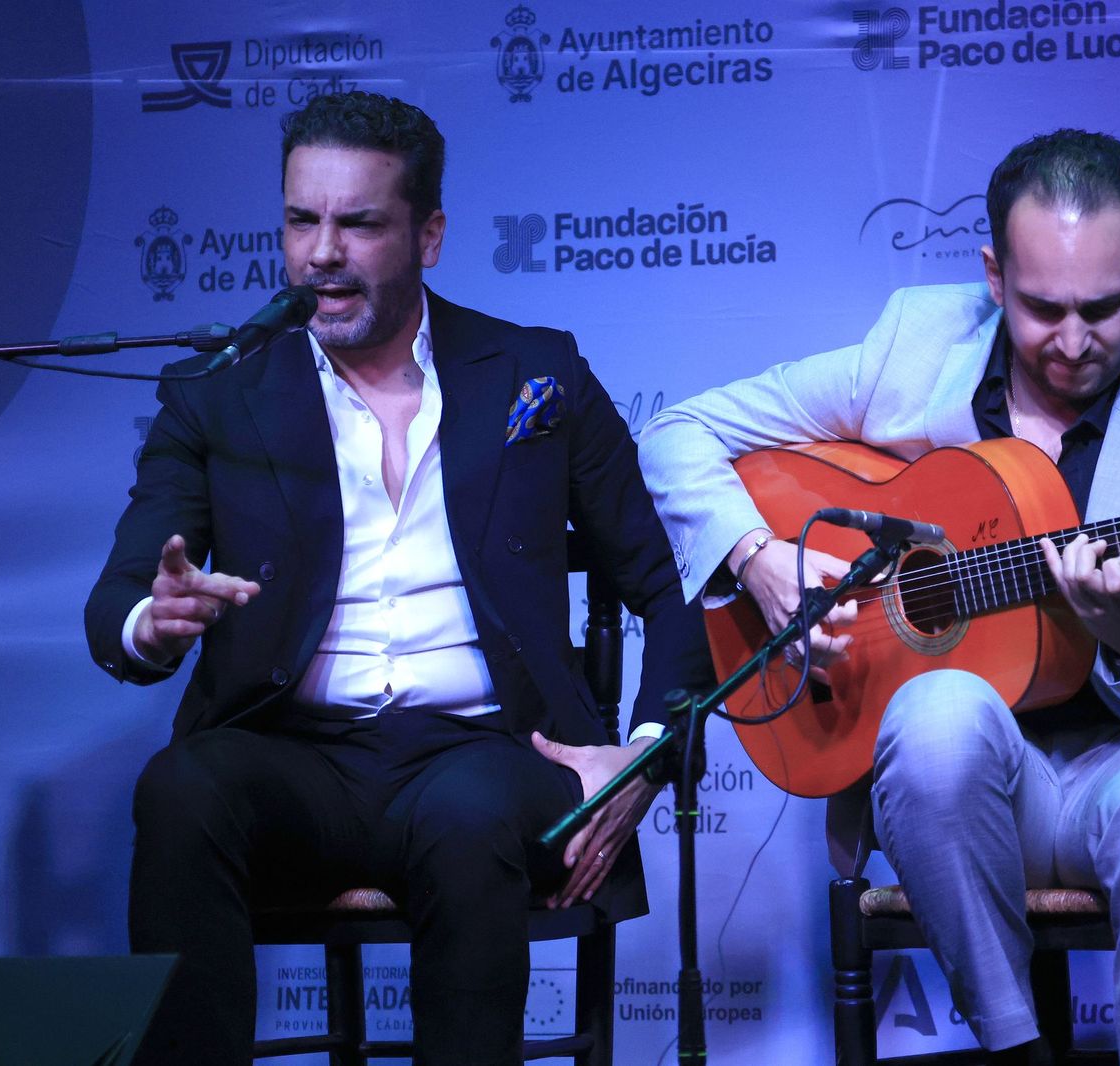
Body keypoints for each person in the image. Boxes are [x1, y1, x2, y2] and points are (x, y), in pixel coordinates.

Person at [639, 129, 1120, 1065]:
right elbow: (678, 432)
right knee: (934, 711)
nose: (1075, 342)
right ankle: (1018, 1047)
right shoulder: (915, 346)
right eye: (1043, 308)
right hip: (974, 788)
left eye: (1106, 306)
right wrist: (761, 556)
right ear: (993, 275)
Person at [85, 91, 710, 1066]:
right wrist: (149, 621)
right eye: (301, 219)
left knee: (464, 817)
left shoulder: (533, 373)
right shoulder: (217, 391)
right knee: (182, 789)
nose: (320, 252)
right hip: (296, 755)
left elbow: (664, 591)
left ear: (428, 234)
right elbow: (120, 593)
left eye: (357, 222)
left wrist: (643, 752)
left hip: (484, 752)